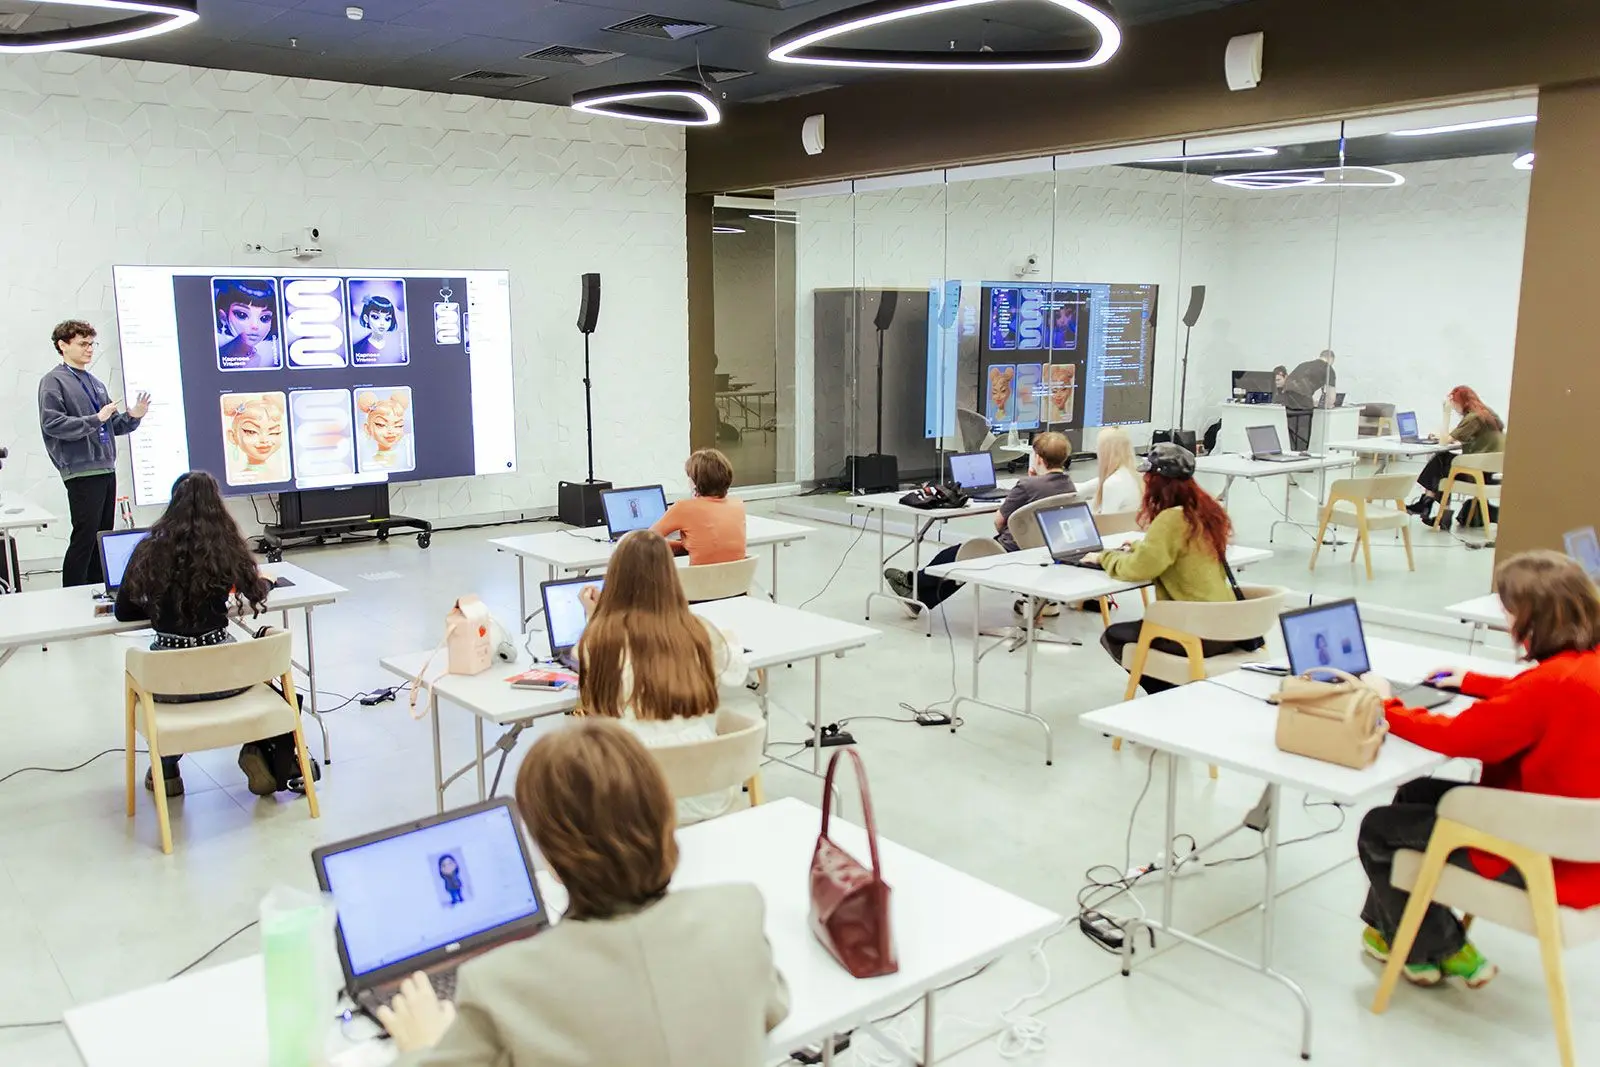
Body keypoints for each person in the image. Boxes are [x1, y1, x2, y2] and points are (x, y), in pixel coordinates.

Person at [378, 719, 790, 1066]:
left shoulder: (500, 985)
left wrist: (421, 1047)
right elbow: (772, 1008)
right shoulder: (737, 914)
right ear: (665, 814)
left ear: (551, 859)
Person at [1355, 551, 1600, 989]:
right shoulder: (1582, 666)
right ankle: (1391, 934)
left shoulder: (1546, 685)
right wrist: (1471, 682)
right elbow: (1541, 695)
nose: (1506, 621)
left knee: (1378, 829)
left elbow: (1457, 737)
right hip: (1582, 843)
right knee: (1415, 793)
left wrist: (1384, 703)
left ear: (1534, 617)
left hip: (1542, 852)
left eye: (1510, 611)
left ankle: (1444, 947)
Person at [115, 471, 299, 798]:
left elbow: (124, 611)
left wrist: (162, 605)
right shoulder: (225, 548)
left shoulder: (148, 549)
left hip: (169, 685)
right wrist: (266, 582)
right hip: (226, 681)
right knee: (263, 656)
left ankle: (167, 771)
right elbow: (254, 591)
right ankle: (257, 749)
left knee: (158, 686)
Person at [575, 530, 750, 824]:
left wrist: (595, 618)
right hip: (708, 791)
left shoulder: (598, 640)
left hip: (635, 804)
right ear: (670, 576)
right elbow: (736, 672)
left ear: (615, 578)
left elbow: (593, 695)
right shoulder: (699, 631)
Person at [1090, 443, 1255, 694]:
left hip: (1196, 632)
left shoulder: (1170, 519)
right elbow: (1178, 551)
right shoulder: (1205, 512)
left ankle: (1168, 695)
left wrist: (1105, 558)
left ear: (1156, 481)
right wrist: (1140, 546)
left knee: (1115, 636)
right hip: (1227, 626)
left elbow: (1138, 569)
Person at [884, 431, 1076, 612]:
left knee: (957, 555)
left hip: (1012, 551)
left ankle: (912, 580)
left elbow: (998, 522)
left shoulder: (1026, 485)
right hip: (1046, 550)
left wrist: (1030, 480)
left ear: (1038, 459)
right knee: (965, 556)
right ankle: (919, 599)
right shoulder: (1069, 485)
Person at [38, 320, 150, 587]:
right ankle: (72, 591)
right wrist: (95, 418)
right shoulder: (53, 381)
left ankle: (97, 588)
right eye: (82, 344)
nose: (89, 349)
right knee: (85, 536)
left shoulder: (95, 383)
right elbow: (53, 424)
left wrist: (134, 416)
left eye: (91, 344)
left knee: (102, 535)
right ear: (63, 345)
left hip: (106, 467)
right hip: (81, 469)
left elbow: (112, 425)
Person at [1406, 385, 1505, 527]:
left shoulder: (1473, 418)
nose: (1453, 407)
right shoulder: (1487, 414)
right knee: (1444, 465)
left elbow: (1444, 441)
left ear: (1461, 402)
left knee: (1441, 460)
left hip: (1479, 474)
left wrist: (1446, 413)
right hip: (1492, 472)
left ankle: (1428, 504)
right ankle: (1432, 508)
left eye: (1454, 404)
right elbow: (1461, 435)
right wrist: (1445, 436)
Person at [651, 448, 747, 566]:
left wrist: (672, 545)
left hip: (698, 578)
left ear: (695, 483)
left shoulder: (683, 508)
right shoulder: (738, 506)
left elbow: (646, 539)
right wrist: (688, 545)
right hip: (737, 577)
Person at [1073, 427, 1141, 515]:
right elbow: (1081, 488)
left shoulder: (1112, 483)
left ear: (1104, 452)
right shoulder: (1133, 476)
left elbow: (1106, 520)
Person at [214, 281, 281, 370]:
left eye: (264, 318)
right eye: (242, 315)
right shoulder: (216, 353)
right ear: (223, 317)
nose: (255, 326)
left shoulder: (266, 355)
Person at [1279, 349, 1336, 449]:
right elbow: (1331, 397)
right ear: (1331, 359)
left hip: (1286, 397)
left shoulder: (1304, 364)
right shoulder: (1328, 369)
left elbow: (1297, 384)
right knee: (1303, 432)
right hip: (1302, 402)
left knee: (1291, 433)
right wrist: (1328, 405)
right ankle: (1302, 451)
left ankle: (1292, 450)